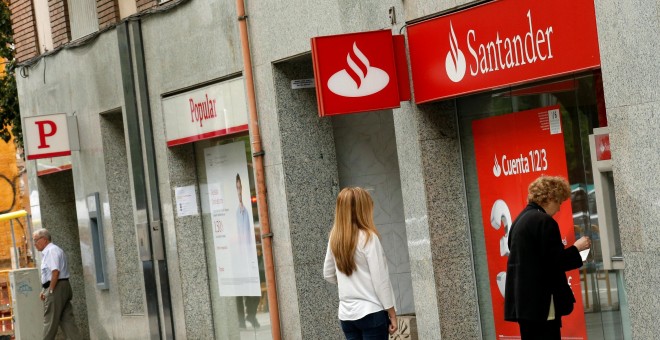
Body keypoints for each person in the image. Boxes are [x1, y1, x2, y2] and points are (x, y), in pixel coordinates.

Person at [504, 176, 591, 339]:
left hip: (524, 304)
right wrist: (577, 248)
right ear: (550, 197)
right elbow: (555, 262)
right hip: (542, 302)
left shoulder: (520, 220)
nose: (559, 208)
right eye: (559, 202)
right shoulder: (544, 221)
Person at [324, 187, 398, 339]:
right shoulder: (369, 238)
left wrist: (349, 284)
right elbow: (380, 281)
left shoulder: (335, 238)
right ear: (362, 210)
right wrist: (392, 313)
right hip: (371, 312)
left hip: (347, 315)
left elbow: (328, 274)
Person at [33, 229, 82, 340]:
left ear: (44, 240)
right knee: (67, 321)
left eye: (35, 240)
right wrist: (44, 289)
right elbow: (49, 274)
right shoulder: (52, 251)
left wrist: (50, 290)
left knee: (49, 321)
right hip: (60, 286)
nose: (34, 244)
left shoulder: (51, 251)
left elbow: (55, 272)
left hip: (56, 287)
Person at [234, 173, 260, 329]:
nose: (239, 191)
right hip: (238, 256)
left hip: (250, 256)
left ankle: (251, 315)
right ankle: (241, 319)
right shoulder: (236, 213)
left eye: (240, 187)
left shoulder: (248, 212)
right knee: (238, 290)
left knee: (254, 288)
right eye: (237, 187)